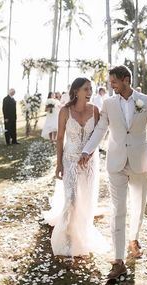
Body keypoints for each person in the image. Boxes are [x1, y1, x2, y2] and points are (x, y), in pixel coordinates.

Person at [78, 65, 147, 279]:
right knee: (118, 210)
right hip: (116, 162)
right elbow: (100, 129)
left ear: (126, 80)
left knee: (138, 206)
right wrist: (87, 150)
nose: (111, 85)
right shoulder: (108, 103)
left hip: (140, 161)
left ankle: (133, 237)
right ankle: (118, 260)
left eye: (114, 82)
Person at [43, 77, 109, 257]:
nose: (90, 92)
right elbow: (59, 138)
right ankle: (67, 242)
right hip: (69, 160)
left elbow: (99, 136)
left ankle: (82, 236)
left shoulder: (96, 111)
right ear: (76, 90)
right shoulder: (65, 111)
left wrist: (91, 153)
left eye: (91, 89)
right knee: (71, 200)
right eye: (86, 89)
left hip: (90, 163)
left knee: (86, 202)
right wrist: (58, 163)